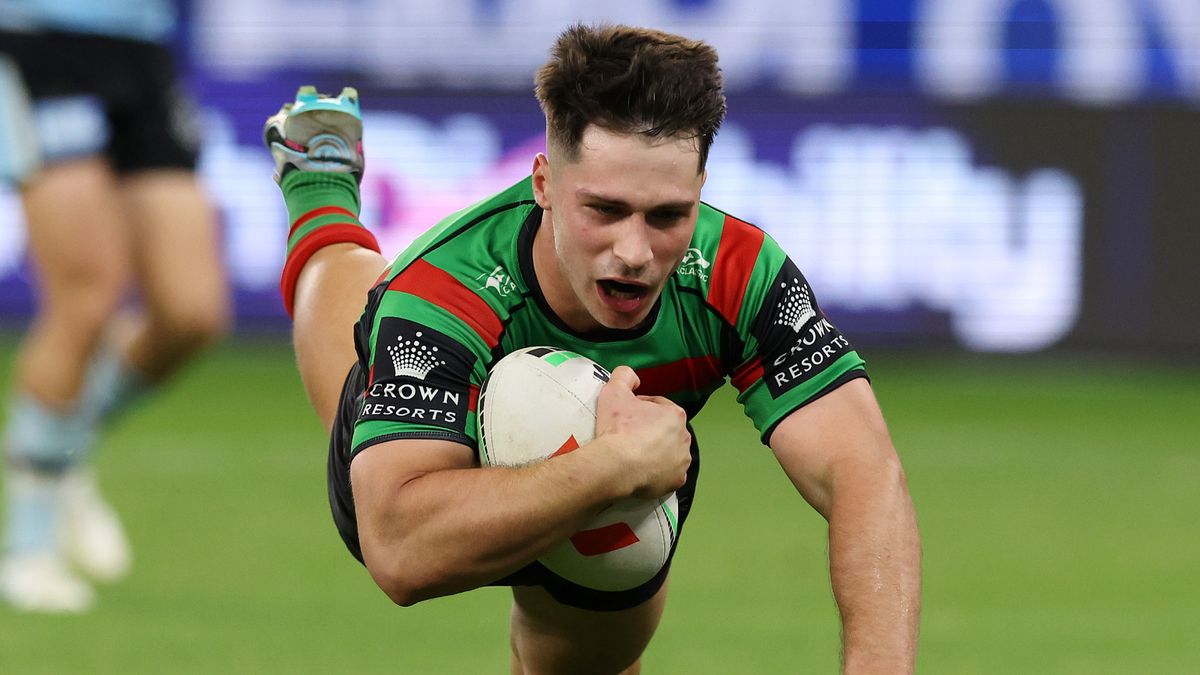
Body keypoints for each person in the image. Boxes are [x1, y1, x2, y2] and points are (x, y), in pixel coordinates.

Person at [266, 24, 920, 674]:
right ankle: (320, 190)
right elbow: (402, 553)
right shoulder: (442, 290)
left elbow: (863, 471)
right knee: (363, 305)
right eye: (604, 210)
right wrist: (609, 467)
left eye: (667, 215)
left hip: (620, 500)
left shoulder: (738, 270)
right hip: (447, 473)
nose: (635, 252)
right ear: (544, 183)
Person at [0, 2, 230, 613]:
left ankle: (62, 444)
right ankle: (27, 551)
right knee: (86, 297)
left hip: (142, 47)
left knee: (191, 311)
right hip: (34, 41)